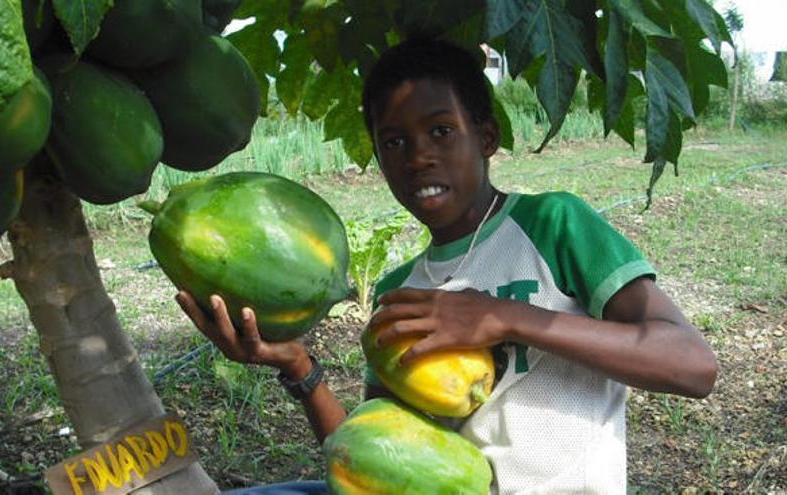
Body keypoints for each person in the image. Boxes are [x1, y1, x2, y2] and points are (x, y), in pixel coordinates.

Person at [174, 37, 719, 494]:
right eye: (394, 141)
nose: (418, 156)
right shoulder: (399, 294)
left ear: (486, 137)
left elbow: (693, 366)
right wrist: (296, 366)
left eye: (441, 131)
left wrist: (505, 317)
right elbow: (370, 455)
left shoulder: (555, 225)